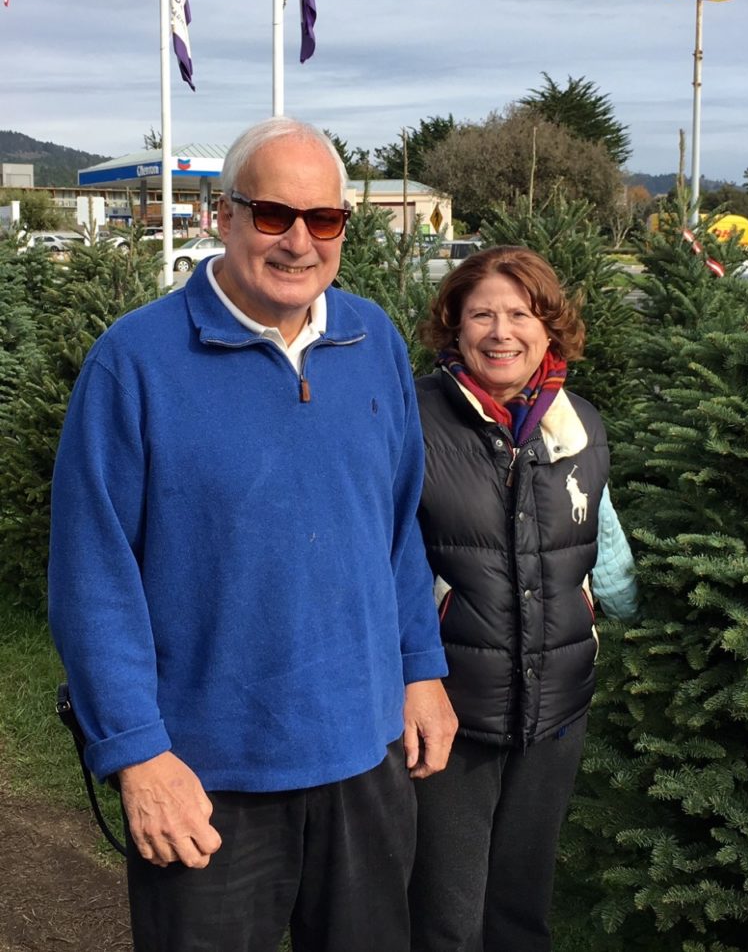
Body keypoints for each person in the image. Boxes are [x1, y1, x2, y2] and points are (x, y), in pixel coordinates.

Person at [47, 117, 457, 952]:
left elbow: (396, 527)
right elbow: (94, 578)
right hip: (205, 771)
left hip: (363, 753)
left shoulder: (372, 339)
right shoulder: (134, 363)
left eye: (325, 219)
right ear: (224, 217)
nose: (299, 241)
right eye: (273, 215)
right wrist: (137, 754)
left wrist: (420, 671)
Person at [408, 246, 638, 951]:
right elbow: (381, 559)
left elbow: (602, 539)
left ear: (549, 327)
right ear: (454, 324)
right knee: (446, 918)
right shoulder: (413, 419)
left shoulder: (581, 425)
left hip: (556, 708)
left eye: (519, 314)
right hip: (451, 711)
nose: (500, 331)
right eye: (481, 314)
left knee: (521, 909)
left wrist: (623, 601)